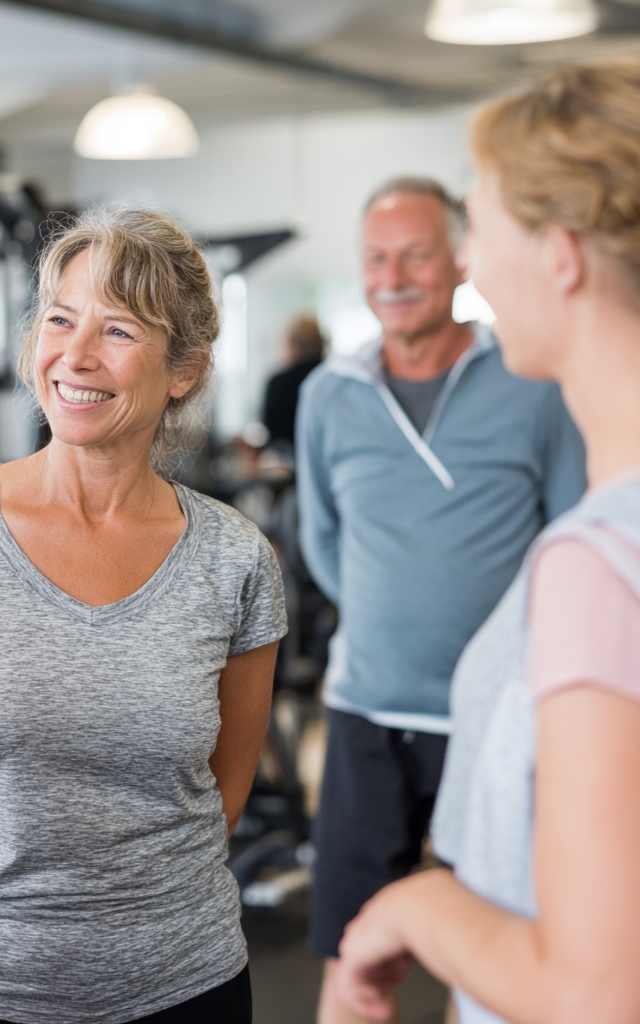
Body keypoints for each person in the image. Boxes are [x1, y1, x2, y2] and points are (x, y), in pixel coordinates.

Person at [0, 206, 288, 1024]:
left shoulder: (235, 557)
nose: (74, 356)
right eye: (59, 320)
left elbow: (225, 786)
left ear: (182, 369)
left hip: (186, 986)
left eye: (117, 331)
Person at [336, 60, 640, 1024]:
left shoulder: (595, 560)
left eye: (481, 227)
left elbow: (595, 990)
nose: (467, 263)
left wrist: (417, 907)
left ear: (559, 254)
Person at [297, 176, 587, 1023]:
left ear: (458, 259)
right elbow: (323, 540)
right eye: (375, 257)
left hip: (498, 718)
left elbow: (566, 535)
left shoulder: (531, 379)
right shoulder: (328, 394)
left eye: (415, 254)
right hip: (366, 711)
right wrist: (395, 624)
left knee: (497, 944)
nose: (393, 275)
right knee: (348, 947)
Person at [262, 315, 324, 450]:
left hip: (290, 465)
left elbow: (272, 433)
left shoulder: (279, 384)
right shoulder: (333, 379)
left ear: (294, 344)